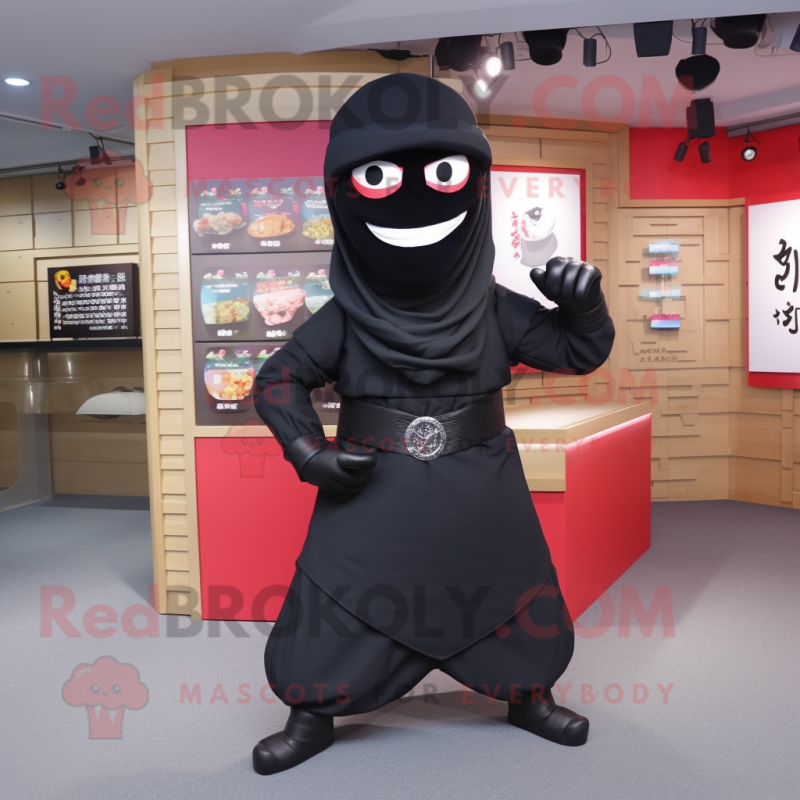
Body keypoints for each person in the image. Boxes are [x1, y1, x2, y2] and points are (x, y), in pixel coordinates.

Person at [252, 73, 615, 775]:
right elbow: (277, 380)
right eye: (381, 178)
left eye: (443, 174)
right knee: (338, 596)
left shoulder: (496, 308)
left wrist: (584, 308)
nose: (417, 199)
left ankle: (529, 694)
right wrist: (308, 453)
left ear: (474, 186)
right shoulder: (347, 318)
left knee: (509, 586)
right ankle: (312, 710)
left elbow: (578, 352)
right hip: (370, 489)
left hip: (481, 485)